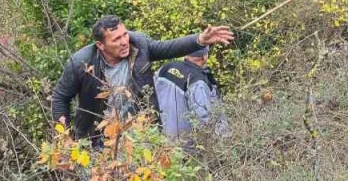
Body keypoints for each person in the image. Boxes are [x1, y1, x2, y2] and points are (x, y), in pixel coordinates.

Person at [51, 16, 234, 146]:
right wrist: (64, 136)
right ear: (101, 45)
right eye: (116, 39)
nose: (124, 41)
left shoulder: (139, 44)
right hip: (97, 137)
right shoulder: (81, 63)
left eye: (124, 34)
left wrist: (200, 40)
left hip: (140, 134)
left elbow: (168, 47)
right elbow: (60, 97)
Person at [155, 46, 228, 139]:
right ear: (204, 56)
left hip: (157, 137)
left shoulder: (166, 67)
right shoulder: (198, 82)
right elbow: (204, 120)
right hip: (182, 143)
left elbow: (149, 94)